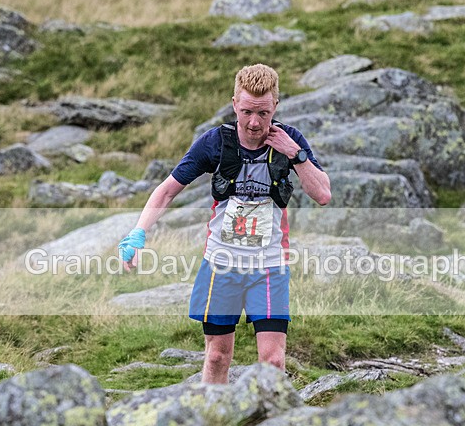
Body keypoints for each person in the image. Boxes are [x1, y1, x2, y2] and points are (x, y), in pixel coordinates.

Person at [118, 63, 330, 384]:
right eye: (246, 112)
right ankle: (212, 423)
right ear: (234, 104)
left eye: (263, 112)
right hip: (221, 264)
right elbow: (166, 191)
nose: (254, 122)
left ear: (276, 106)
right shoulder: (215, 143)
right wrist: (138, 233)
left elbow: (323, 194)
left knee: (272, 360)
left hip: (269, 266)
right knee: (217, 355)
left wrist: (296, 154)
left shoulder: (291, 140)